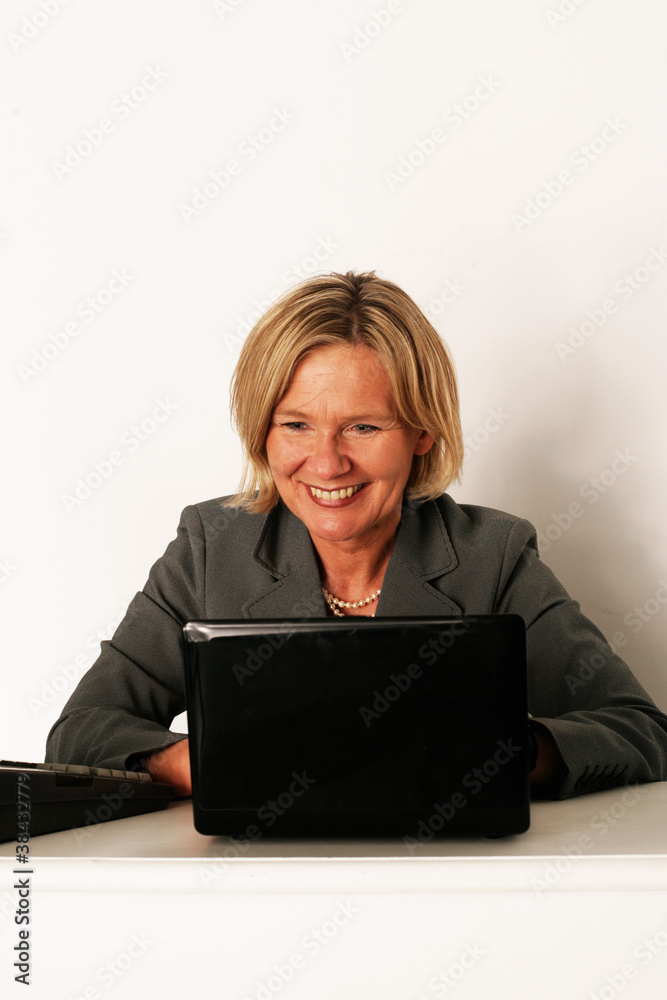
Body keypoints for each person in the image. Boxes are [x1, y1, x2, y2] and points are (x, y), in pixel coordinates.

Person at [45, 270, 667, 800]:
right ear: (263, 432)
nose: (326, 463)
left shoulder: (492, 556)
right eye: (296, 425)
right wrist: (197, 763)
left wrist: (510, 752)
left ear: (423, 432)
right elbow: (82, 729)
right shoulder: (210, 549)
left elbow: (642, 732)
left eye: (363, 427)